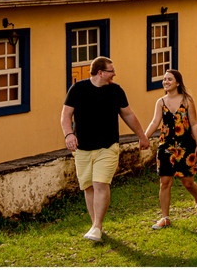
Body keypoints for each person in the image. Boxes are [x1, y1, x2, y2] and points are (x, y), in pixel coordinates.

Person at [61, 56, 149, 242]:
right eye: (111, 71)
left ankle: (97, 226)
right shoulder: (77, 89)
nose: (114, 74)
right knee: (88, 186)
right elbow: (66, 115)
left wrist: (141, 136)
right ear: (100, 72)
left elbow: (128, 115)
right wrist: (69, 134)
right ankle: (95, 226)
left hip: (107, 146)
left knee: (101, 183)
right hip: (82, 147)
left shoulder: (116, 91)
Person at [144, 69, 197, 229]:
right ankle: (165, 218)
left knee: (188, 183)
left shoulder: (187, 100)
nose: (166, 82)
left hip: (186, 145)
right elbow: (155, 122)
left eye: (169, 79)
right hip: (166, 146)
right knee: (164, 182)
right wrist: (144, 137)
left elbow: (194, 124)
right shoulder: (160, 102)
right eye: (164, 79)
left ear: (177, 82)